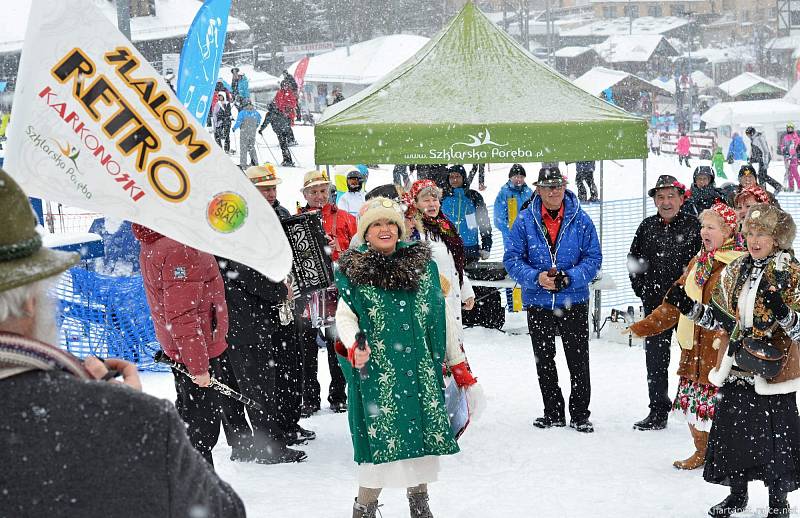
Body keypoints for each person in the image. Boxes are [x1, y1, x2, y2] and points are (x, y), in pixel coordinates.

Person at [0, 169, 246, 517]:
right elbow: (224, 511)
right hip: (191, 356)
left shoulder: (155, 243)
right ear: (29, 302)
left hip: (179, 351)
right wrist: (121, 414)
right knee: (200, 428)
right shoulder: (128, 419)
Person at [334, 196, 483, 518]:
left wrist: (459, 367)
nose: (384, 229)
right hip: (377, 375)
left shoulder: (424, 268)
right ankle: (365, 508)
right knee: (378, 450)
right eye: (376, 224)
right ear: (366, 232)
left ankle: (420, 505)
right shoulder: (353, 271)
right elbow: (345, 317)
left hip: (419, 372)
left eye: (390, 223)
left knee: (422, 447)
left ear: (400, 230)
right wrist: (354, 344)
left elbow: (443, 320)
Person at [664, 203, 800, 518]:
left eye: (761, 233)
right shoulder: (736, 268)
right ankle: (737, 495)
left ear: (776, 237)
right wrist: (689, 307)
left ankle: (778, 501)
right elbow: (721, 320)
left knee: (774, 437)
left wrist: (783, 313)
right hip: (738, 364)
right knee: (735, 435)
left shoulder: (790, 271)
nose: (754, 240)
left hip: (774, 369)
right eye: (750, 232)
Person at [628, 202, 744, 470]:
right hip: (693, 349)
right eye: (703, 226)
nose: (704, 231)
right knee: (694, 407)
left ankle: (726, 458)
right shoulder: (699, 262)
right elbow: (673, 303)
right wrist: (645, 326)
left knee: (722, 410)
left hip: (719, 351)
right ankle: (702, 451)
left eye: (711, 227)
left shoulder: (737, 263)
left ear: (727, 230)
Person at [133, 223, 254, 465]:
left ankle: (196, 484)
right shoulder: (180, 248)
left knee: (194, 419)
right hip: (197, 350)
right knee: (201, 427)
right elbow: (183, 316)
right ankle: (199, 490)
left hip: (189, 348)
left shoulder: (164, 239)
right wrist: (198, 366)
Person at [216, 166, 310, 464]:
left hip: (249, 314)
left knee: (249, 380)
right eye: (264, 189)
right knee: (254, 381)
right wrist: (279, 291)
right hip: (243, 315)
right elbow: (243, 269)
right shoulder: (235, 223)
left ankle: (252, 442)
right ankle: (266, 446)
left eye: (272, 188)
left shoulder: (252, 217)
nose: (271, 193)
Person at [503, 167, 602, 433]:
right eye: (548, 187)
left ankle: (580, 414)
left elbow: (593, 259)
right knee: (544, 360)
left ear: (565, 186)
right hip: (538, 301)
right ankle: (553, 412)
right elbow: (512, 260)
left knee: (578, 360)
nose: (554, 191)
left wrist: (570, 278)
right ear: (538, 189)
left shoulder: (581, 220)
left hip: (574, 300)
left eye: (558, 186)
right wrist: (537, 278)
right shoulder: (524, 221)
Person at [628, 175, 702, 431]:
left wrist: (692, 296)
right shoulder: (647, 226)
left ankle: (697, 414)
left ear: (681, 198)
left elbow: (704, 264)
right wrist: (643, 290)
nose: (666, 202)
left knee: (693, 359)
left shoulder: (695, 227)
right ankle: (658, 411)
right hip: (656, 307)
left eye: (671, 196)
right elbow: (634, 261)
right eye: (660, 197)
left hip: (688, 307)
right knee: (656, 360)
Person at [297, 170, 357, 416]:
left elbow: (356, 252)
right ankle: (309, 397)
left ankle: (338, 394)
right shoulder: (295, 220)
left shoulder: (344, 218)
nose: (319, 196)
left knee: (337, 342)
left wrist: (338, 248)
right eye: (313, 191)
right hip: (307, 292)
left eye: (323, 190)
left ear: (330, 191)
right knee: (306, 347)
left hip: (335, 289)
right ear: (305, 194)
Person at [406, 179, 476, 337]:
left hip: (451, 302)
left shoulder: (445, 227)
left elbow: (454, 265)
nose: (432, 204)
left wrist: (466, 291)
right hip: (431, 307)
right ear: (415, 203)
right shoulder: (413, 232)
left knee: (453, 349)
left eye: (435, 199)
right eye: (426, 200)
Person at [440, 165, 492, 264]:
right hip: (447, 248)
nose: (454, 180)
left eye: (458, 176)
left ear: (463, 177)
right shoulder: (442, 197)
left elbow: (484, 222)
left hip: (470, 249)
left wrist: (486, 246)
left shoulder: (474, 196)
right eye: (451, 177)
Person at [493, 164, 533, 244]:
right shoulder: (504, 193)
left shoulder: (528, 192)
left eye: (521, 177)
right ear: (510, 178)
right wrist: (512, 231)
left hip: (529, 237)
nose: (519, 179)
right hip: (511, 239)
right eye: (516, 177)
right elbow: (498, 219)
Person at [745, 126, 782, 194]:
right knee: (762, 176)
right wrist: (751, 159)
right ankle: (766, 190)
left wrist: (765, 163)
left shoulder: (759, 138)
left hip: (765, 158)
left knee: (762, 176)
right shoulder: (753, 139)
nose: (748, 136)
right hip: (760, 158)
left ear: (752, 133)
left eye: (748, 134)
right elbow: (755, 152)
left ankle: (775, 187)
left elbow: (765, 151)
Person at [259, 101, 294, 167]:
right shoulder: (279, 111)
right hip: (286, 129)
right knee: (284, 146)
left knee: (283, 146)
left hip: (280, 131)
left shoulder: (269, 114)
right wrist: (287, 126)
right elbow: (287, 119)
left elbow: (265, 123)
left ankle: (287, 160)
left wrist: (261, 130)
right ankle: (288, 160)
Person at [231, 100, 261, 170]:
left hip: (244, 132)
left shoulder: (243, 113)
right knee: (251, 147)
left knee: (243, 148)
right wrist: (254, 128)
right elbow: (258, 121)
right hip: (252, 133)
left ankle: (243, 164)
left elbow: (239, 122)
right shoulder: (256, 113)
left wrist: (234, 128)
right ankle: (255, 162)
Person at [274, 82, 298, 146]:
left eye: (287, 85)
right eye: (284, 85)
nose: (285, 87)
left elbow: (293, 102)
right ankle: (284, 141)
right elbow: (276, 102)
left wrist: (288, 107)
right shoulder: (279, 93)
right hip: (281, 113)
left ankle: (291, 140)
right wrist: (279, 108)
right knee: (282, 128)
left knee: (287, 127)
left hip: (288, 113)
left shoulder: (290, 93)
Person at [780, 123, 800, 192]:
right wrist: (784, 149)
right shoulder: (785, 137)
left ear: (793, 128)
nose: (790, 129)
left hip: (794, 158)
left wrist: (791, 153)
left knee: (795, 173)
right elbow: (782, 145)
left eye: (791, 128)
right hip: (787, 158)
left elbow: (796, 147)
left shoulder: (795, 137)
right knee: (789, 174)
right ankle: (791, 188)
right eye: (788, 128)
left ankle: (799, 187)